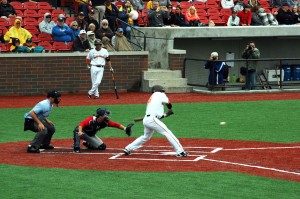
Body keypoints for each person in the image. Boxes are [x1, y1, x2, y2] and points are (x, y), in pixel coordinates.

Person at [123, 85, 188, 157]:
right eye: (162, 90)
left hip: (147, 119)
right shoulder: (159, 94)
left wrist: (166, 114)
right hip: (152, 119)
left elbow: (158, 116)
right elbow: (168, 103)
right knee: (168, 133)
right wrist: (170, 110)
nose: (163, 92)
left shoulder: (153, 98)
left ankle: (128, 148)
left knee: (145, 137)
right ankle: (180, 151)